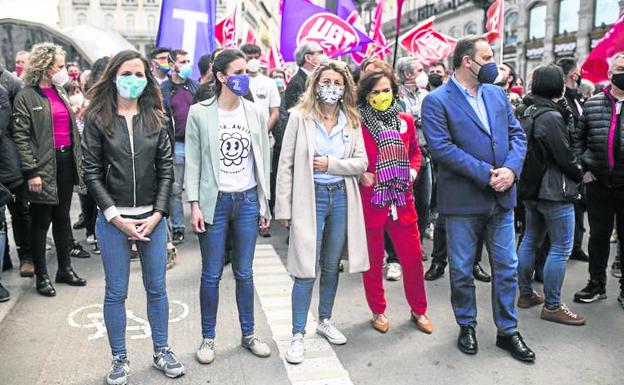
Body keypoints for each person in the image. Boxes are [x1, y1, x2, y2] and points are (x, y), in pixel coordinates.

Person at [422, 36, 534, 362]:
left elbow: (517, 135)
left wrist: (510, 171)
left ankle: (507, 331)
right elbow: (442, 148)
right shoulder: (436, 100)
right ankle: (466, 325)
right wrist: (487, 173)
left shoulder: (498, 95)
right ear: (467, 61)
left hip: (501, 200)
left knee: (507, 268)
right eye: (486, 57)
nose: (493, 64)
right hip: (462, 202)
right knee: (460, 270)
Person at [81, 49, 185, 384]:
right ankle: (119, 359)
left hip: (152, 221)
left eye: (140, 74)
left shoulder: (156, 115)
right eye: (128, 73)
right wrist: (114, 217)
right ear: (113, 76)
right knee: (116, 291)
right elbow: (91, 172)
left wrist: (158, 215)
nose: (134, 80)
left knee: (156, 288)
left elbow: (166, 171)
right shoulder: (97, 119)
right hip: (114, 221)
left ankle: (161, 351)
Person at [275, 59, 368, 364]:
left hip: (340, 196)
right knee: (305, 268)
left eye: (338, 83)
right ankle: (298, 334)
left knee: (331, 265)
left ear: (345, 88)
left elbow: (361, 163)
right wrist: (284, 208)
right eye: (326, 81)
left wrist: (331, 164)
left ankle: (325, 320)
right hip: (309, 197)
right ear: (315, 85)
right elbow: (285, 164)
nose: (332, 87)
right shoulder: (299, 117)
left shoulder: (351, 120)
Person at [185, 49, 273, 364]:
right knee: (211, 274)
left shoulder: (256, 112)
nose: (243, 77)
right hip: (215, 202)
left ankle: (248, 334)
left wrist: (265, 204)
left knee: (245, 272)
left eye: (246, 71)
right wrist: (194, 204)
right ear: (221, 76)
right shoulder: (199, 112)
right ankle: (208, 339)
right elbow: (192, 162)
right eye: (237, 72)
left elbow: (262, 160)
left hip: (247, 199)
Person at [358, 67, 433, 335]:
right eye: (375, 92)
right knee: (373, 261)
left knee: (412, 258)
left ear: (394, 91)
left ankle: (419, 310)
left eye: (386, 90)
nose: (381, 96)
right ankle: (377, 310)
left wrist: (412, 171)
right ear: (366, 95)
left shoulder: (405, 121)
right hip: (372, 202)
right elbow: (352, 157)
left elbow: (415, 153)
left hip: (402, 200)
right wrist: (361, 173)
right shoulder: (357, 123)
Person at [12, 43, 87, 297]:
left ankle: (65, 269)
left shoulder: (60, 91)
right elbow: (21, 136)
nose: (63, 70)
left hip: (65, 162)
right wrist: (31, 171)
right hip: (42, 166)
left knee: (63, 217)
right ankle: (42, 275)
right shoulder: (26, 95)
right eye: (59, 66)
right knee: (41, 220)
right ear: (45, 67)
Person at [516, 64, 585, 325]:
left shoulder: (527, 110)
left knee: (530, 239)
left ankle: (525, 294)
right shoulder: (551, 117)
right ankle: (553, 305)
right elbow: (564, 156)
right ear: (556, 85)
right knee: (561, 247)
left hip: (531, 188)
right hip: (554, 190)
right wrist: (579, 173)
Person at [572, 52, 624, 307]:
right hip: (599, 183)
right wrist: (584, 170)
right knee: (598, 237)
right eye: (620, 68)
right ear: (610, 73)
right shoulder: (592, 104)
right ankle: (596, 284)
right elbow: (577, 142)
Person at [273, 42, 325, 215]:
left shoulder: (313, 79)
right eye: (320, 52)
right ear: (308, 58)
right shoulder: (298, 82)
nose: (323, 56)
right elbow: (298, 116)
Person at [161, 49, 200, 246]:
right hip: (175, 143)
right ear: (171, 65)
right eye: (182, 62)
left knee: (200, 185)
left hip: (196, 144)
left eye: (187, 61)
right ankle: (177, 227)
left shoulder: (195, 87)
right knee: (175, 189)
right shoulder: (164, 89)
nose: (186, 65)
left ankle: (202, 220)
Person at [556, 57, 589, 262]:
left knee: (579, 205)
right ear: (572, 75)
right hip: (569, 161)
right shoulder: (563, 99)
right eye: (578, 72)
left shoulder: (576, 98)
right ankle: (567, 246)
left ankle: (576, 245)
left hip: (579, 160)